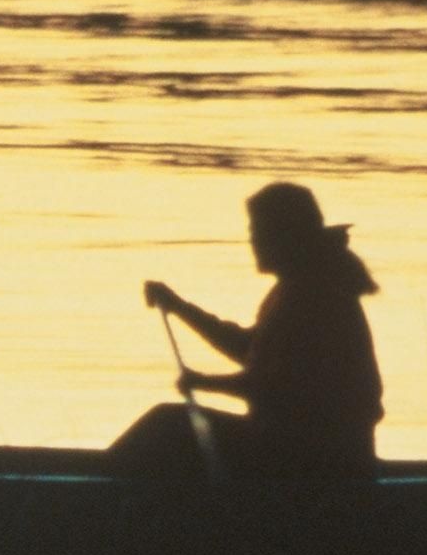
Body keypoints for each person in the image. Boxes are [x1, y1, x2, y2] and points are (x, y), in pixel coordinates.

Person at [118, 181, 384, 478]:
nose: (253, 241)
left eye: (258, 231)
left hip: (318, 457)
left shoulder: (316, 295)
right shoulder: (294, 288)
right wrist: (179, 307)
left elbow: (280, 388)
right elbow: (250, 350)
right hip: (291, 445)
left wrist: (204, 382)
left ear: (284, 236)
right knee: (170, 429)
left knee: (168, 425)